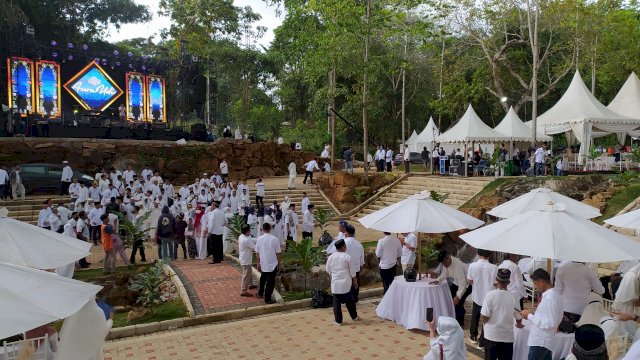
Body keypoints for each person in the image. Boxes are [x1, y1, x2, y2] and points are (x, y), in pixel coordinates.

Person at [520, 269, 564, 360]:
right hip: (545, 341)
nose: (536, 287)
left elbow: (548, 323)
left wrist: (529, 316)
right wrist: (532, 314)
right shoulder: (555, 295)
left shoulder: (550, 297)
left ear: (541, 282)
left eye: (535, 284)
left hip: (541, 341)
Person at [481, 269, 523, 360]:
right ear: (508, 282)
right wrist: (518, 323)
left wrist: (485, 322)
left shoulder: (489, 295)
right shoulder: (514, 297)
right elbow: (519, 317)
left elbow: (485, 316)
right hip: (507, 337)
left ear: (496, 279)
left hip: (491, 335)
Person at [467, 249, 498, 346]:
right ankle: (482, 341)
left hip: (477, 295)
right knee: (487, 318)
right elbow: (496, 283)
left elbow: (469, 281)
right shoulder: (494, 267)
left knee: (475, 315)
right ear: (489, 255)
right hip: (489, 296)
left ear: (478, 254)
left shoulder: (472, 266)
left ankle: (473, 336)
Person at [325, 239, 359, 326]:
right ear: (343, 247)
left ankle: (338, 321)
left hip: (336, 283)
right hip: (346, 284)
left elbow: (327, 270)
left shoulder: (331, 257)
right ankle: (354, 316)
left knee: (336, 303)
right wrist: (355, 282)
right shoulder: (347, 257)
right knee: (350, 301)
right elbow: (352, 272)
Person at [436, 251, 471, 327]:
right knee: (449, 297)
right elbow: (445, 273)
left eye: (444, 263)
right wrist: (438, 280)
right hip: (456, 282)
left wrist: (458, 297)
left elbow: (463, 284)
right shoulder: (446, 264)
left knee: (459, 302)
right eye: (442, 263)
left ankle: (460, 322)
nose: (444, 265)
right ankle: (452, 316)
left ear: (448, 258)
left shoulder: (457, 266)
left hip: (467, 285)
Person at [255, 222, 280, 304]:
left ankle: (260, 293)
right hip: (272, 263)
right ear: (270, 229)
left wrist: (258, 263)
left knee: (263, 279)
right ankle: (267, 298)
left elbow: (257, 253)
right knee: (270, 282)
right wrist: (279, 264)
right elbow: (278, 253)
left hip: (263, 262)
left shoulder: (259, 239)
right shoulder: (275, 239)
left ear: (262, 229)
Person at [343, 224, 364, 303]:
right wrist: (361, 266)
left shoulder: (344, 242)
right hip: (356, 268)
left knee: (347, 284)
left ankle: (348, 300)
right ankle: (355, 299)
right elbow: (362, 257)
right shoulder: (359, 244)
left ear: (347, 233)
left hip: (346, 268)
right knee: (356, 284)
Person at [238, 223, 257, 297]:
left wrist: (261, 238)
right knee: (246, 275)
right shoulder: (245, 240)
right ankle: (243, 291)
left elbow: (251, 239)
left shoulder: (242, 236)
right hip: (246, 260)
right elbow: (255, 248)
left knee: (249, 273)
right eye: (249, 230)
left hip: (245, 258)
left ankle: (251, 284)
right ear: (247, 231)